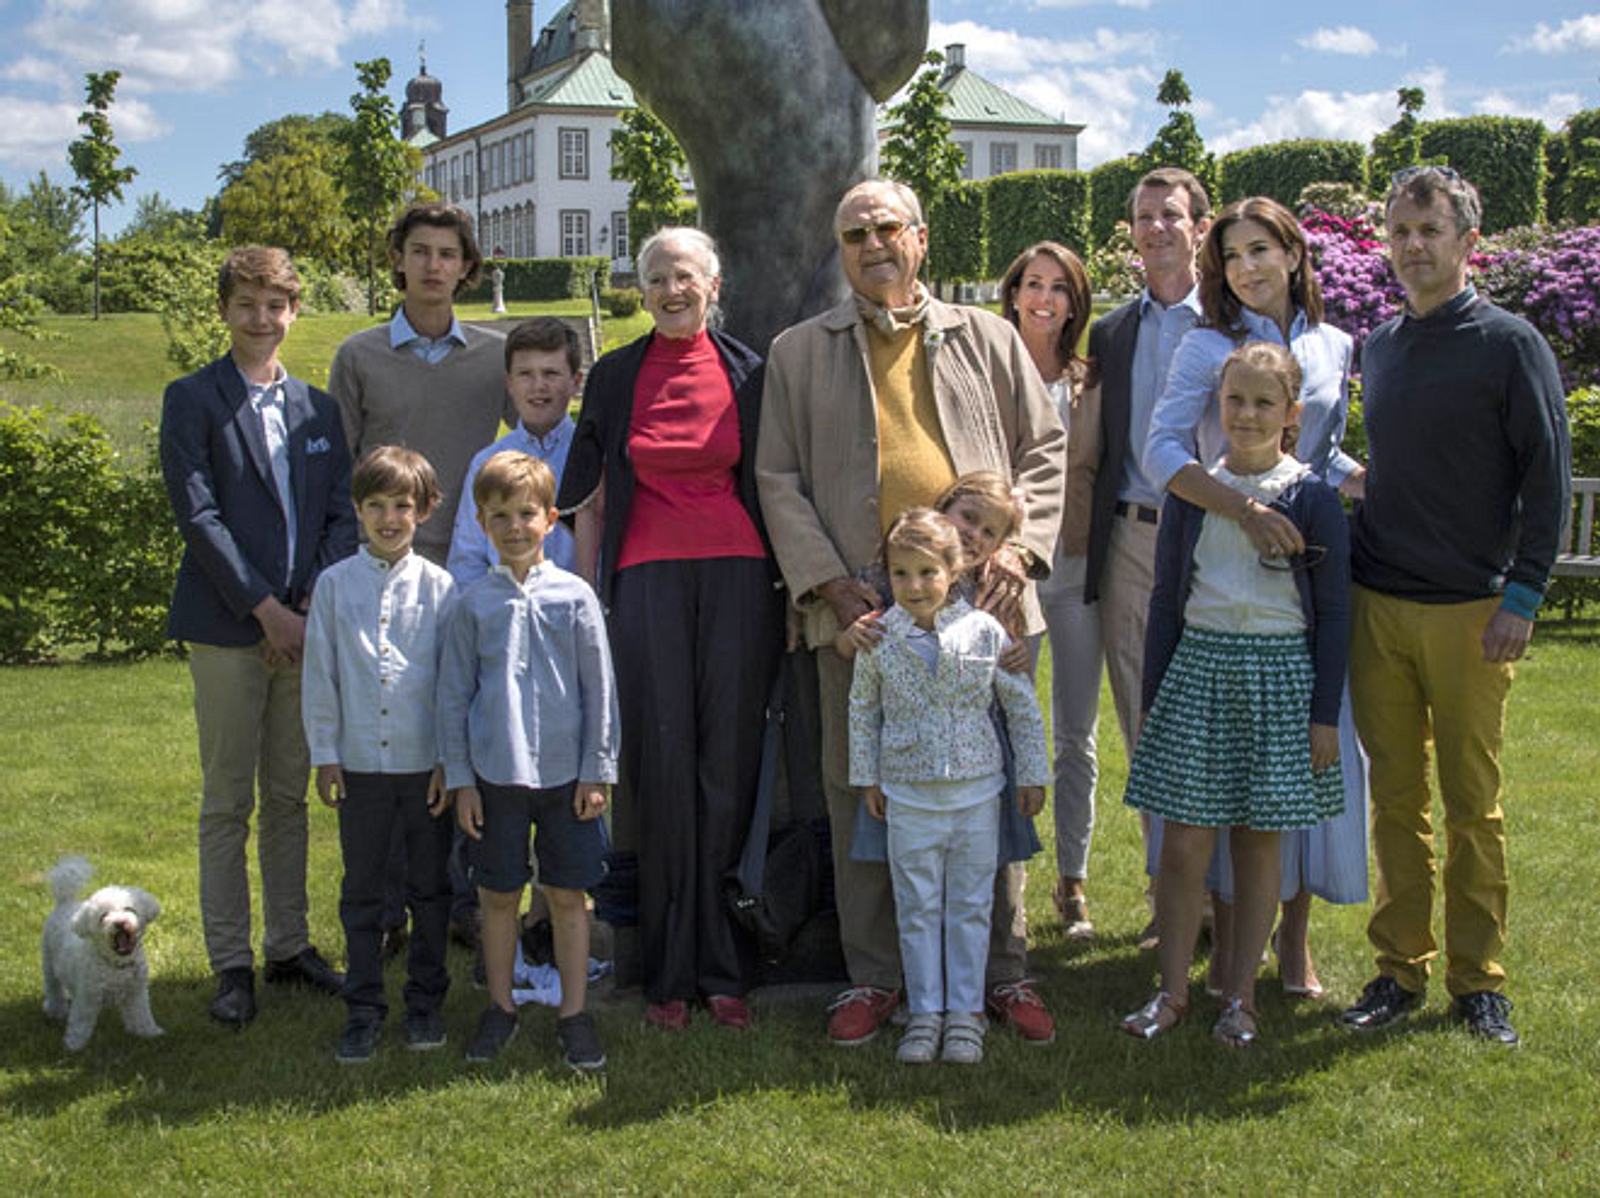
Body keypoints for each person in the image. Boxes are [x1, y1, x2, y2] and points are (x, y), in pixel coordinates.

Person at [758, 178, 1065, 1047]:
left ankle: (1001, 970)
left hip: (985, 595)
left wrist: (1017, 553)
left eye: (886, 228)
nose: (872, 246)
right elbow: (776, 477)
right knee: (861, 786)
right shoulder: (798, 352)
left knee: (992, 783)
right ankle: (877, 976)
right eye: (854, 235)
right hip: (859, 602)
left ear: (920, 238)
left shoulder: (989, 337)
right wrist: (827, 582)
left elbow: (1045, 451)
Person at [1339, 167, 1570, 1047]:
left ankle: (1479, 982)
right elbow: (1400, 464)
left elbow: (1546, 480)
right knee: (1397, 802)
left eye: (1429, 229)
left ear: (1469, 241)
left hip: (1473, 613)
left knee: (1474, 805)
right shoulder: (1382, 347)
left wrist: (1524, 596)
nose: (1412, 246)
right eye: (1399, 231)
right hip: (1380, 603)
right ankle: (1400, 968)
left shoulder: (1510, 345)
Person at [1142, 195, 1369, 999]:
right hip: (1223, 557)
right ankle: (1227, 952)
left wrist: (1368, 485)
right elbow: (1162, 450)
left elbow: (1321, 452)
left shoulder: (1334, 343)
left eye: (1260, 250)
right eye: (1231, 256)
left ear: (1294, 253)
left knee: (1294, 775)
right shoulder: (1207, 344)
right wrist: (1244, 510)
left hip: (1303, 576)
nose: (1246, 268)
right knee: (1228, 793)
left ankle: (1294, 946)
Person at [556, 227, 782, 1032]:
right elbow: (588, 498)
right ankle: (667, 970)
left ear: (713, 285)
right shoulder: (616, 376)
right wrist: (587, 599)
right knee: (660, 770)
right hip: (646, 581)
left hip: (740, 579)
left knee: (727, 764)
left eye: (685, 276)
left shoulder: (751, 371)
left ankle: (724, 967)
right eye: (656, 278)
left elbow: (774, 479)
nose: (671, 290)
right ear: (641, 289)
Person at [1121, 342, 1349, 1048]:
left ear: (1292, 413)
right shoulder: (1195, 493)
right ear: (1217, 407)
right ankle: (1171, 992)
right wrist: (1153, 698)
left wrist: (1323, 716)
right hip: (1201, 670)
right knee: (1184, 842)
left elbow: (1335, 613)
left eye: (1263, 402)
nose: (1247, 415)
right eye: (1235, 401)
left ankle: (1241, 997)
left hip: (1280, 679)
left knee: (1258, 842)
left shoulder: (1311, 497)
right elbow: (1167, 600)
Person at [159, 245, 356, 1027]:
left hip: (301, 627)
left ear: (294, 312)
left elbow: (341, 512)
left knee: (287, 797)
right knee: (227, 800)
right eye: (246, 304)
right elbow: (199, 515)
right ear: (224, 310)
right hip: (226, 628)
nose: (261, 318)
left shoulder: (318, 409)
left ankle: (289, 946)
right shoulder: (192, 399)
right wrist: (264, 610)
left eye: (275, 305)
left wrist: (303, 606)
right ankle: (231, 963)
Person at [328, 201, 514, 953]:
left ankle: (462, 896)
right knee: (390, 733)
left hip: (466, 570)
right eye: (420, 251)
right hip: (383, 570)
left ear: (466, 268)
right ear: (398, 261)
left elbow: (535, 437)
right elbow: (339, 472)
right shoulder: (359, 356)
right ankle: (389, 904)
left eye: (447, 253)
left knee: (463, 727)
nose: (433, 266)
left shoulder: (494, 356)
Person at [436, 452, 617, 1070]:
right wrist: (462, 779)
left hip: (568, 777)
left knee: (567, 895)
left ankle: (574, 1013)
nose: (515, 527)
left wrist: (596, 769)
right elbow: (454, 695)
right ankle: (500, 1007)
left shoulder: (576, 598)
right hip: (496, 776)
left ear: (550, 519)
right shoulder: (473, 605)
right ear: (482, 524)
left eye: (526, 514)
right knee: (497, 895)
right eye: (500, 516)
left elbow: (599, 690)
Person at [849, 509, 1049, 1066]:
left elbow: (1021, 707)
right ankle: (924, 1012)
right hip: (908, 795)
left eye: (927, 572)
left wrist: (1033, 774)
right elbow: (863, 710)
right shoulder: (879, 637)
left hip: (976, 794)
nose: (915, 586)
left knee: (969, 905)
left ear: (954, 570)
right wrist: (867, 777)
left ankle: (965, 1013)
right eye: (901, 573)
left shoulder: (985, 632)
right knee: (916, 906)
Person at [1082, 168, 1213, 946]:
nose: (1156, 227)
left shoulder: (1233, 322)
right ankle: (1172, 898)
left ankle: (1228, 898)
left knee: (1222, 717)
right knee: (1146, 722)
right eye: (1143, 216)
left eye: (1171, 214)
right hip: (1134, 540)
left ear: (1201, 227)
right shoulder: (1112, 332)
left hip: (1219, 537)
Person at [301, 446, 455, 1064]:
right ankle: (363, 1006)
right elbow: (321, 675)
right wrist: (326, 754)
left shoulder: (440, 588)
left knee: (431, 889)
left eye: (402, 506)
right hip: (361, 765)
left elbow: (450, 683)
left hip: (424, 768)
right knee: (362, 892)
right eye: (376, 506)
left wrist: (448, 761)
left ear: (424, 510)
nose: (389, 519)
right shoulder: (335, 586)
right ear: (358, 510)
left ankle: (425, 1002)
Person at [998, 241, 1100, 940]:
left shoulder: (1091, 383)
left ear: (1074, 304)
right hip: (1012, 574)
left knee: (1075, 736)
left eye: (1059, 288)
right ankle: (1012, 886)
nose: (1044, 298)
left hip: (1077, 573)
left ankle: (1074, 881)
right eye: (1033, 283)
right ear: (1013, 294)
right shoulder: (987, 371)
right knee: (1010, 726)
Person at [449, 317, 581, 583]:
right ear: (509, 383)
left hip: (577, 602)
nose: (538, 386)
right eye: (525, 374)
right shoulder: (487, 463)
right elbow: (467, 558)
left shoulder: (594, 455)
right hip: (503, 603)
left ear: (575, 382)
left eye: (551, 373)